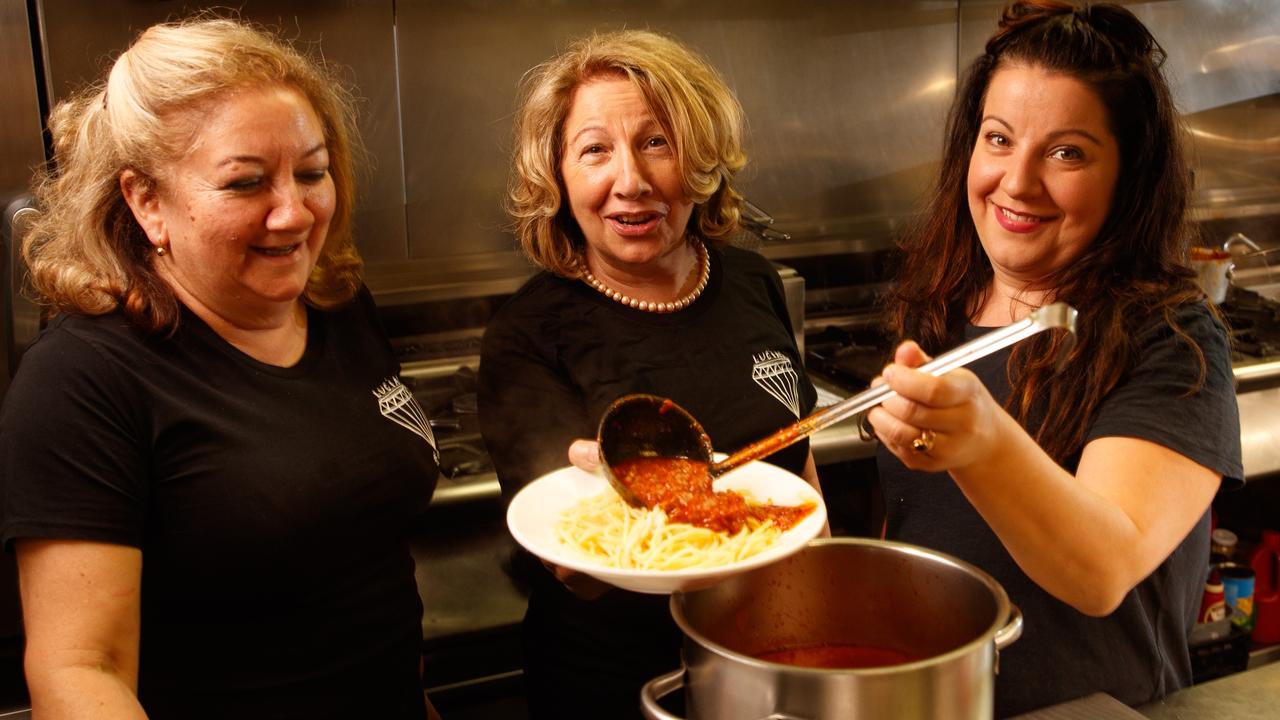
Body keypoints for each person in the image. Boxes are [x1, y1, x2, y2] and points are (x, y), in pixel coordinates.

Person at [0, 18, 441, 719]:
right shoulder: (83, 382)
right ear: (147, 201)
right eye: (245, 183)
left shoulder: (340, 306)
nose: (294, 213)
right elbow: (80, 672)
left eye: (312, 172)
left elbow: (369, 580)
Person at [867, 1, 1243, 715]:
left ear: (1127, 175)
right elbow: (919, 530)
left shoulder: (1175, 338)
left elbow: (1102, 568)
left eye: (1067, 152)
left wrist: (982, 442)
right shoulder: (942, 305)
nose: (1018, 181)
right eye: (999, 139)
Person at [478, 29, 821, 719]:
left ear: (701, 160)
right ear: (557, 175)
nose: (629, 181)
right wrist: (599, 499)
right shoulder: (527, 332)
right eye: (595, 149)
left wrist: (818, 612)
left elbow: (799, 463)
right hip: (614, 684)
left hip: (766, 656)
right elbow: (572, 567)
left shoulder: (754, 281)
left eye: (657, 142)